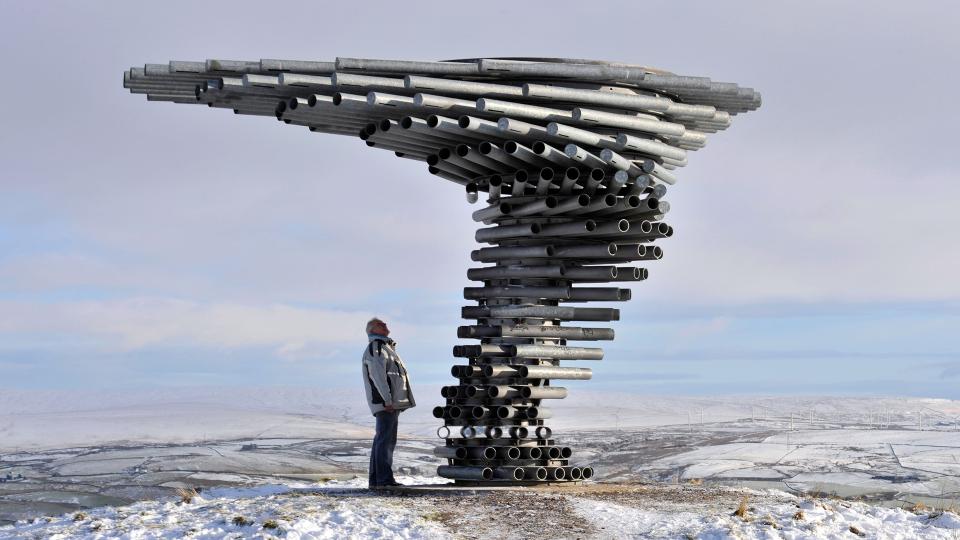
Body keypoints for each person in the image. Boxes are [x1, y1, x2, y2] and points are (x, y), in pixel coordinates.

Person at [361, 317, 416, 489]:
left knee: (384, 440)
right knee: (385, 440)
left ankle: (378, 480)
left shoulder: (386, 348)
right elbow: (378, 377)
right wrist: (387, 400)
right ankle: (383, 480)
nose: (386, 326)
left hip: (391, 403)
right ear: (373, 330)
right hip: (386, 403)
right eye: (381, 324)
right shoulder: (377, 348)